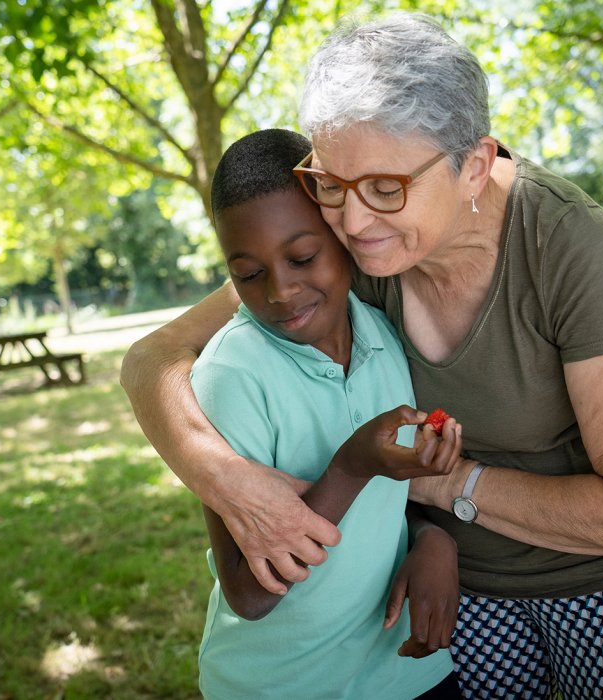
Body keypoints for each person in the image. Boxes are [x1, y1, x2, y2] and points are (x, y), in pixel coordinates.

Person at [121, 13, 603, 699]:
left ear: (473, 166)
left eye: (385, 188)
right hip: (465, 589)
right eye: (329, 183)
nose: (349, 221)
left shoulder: (561, 240)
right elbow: (152, 357)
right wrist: (224, 476)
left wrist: (434, 489)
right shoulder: (345, 245)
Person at [192, 127, 461, 699]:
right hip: (284, 686)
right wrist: (351, 465)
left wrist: (434, 542)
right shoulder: (231, 376)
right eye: (249, 274)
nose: (281, 291)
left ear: (342, 236)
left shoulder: (384, 335)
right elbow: (250, 591)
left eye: (303, 256)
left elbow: (380, 512)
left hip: (404, 670)